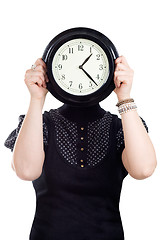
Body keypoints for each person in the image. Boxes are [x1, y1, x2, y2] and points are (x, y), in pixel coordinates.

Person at [4, 56, 157, 240]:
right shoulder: (41, 124)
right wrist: (36, 99)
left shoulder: (120, 127)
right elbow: (26, 171)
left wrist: (124, 97)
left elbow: (143, 169)